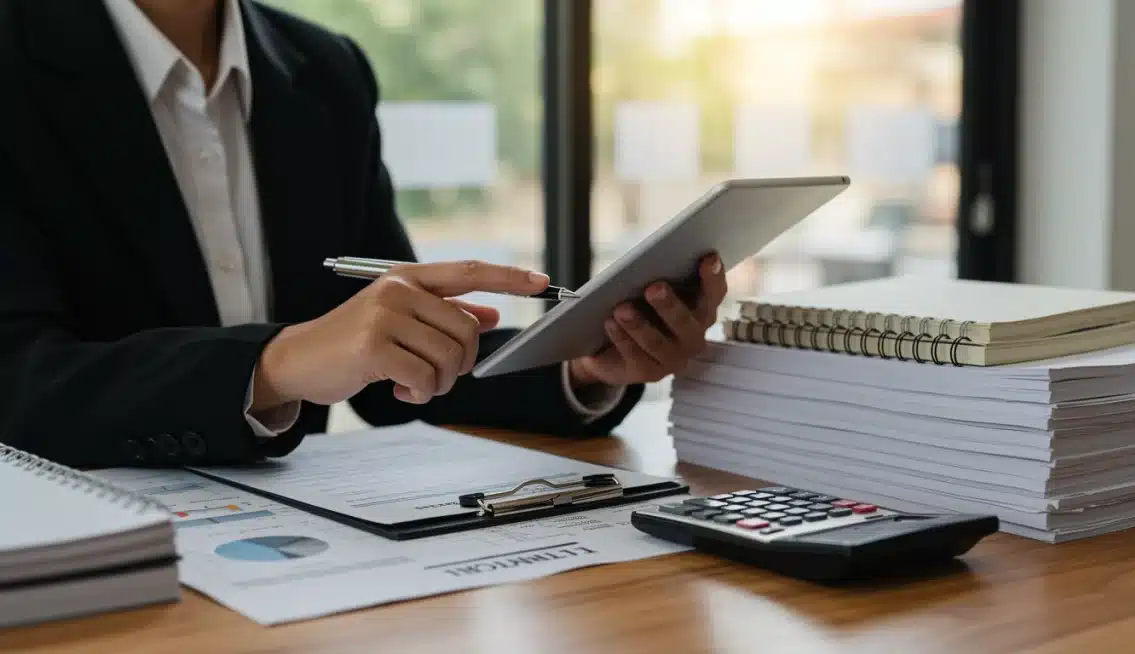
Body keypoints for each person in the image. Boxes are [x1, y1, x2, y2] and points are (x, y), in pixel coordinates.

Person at [0, 0, 727, 469]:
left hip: (293, 564)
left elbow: (396, 370)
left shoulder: (325, 72)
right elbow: (17, 381)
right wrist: (276, 364)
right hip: (79, 572)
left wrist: (583, 364)